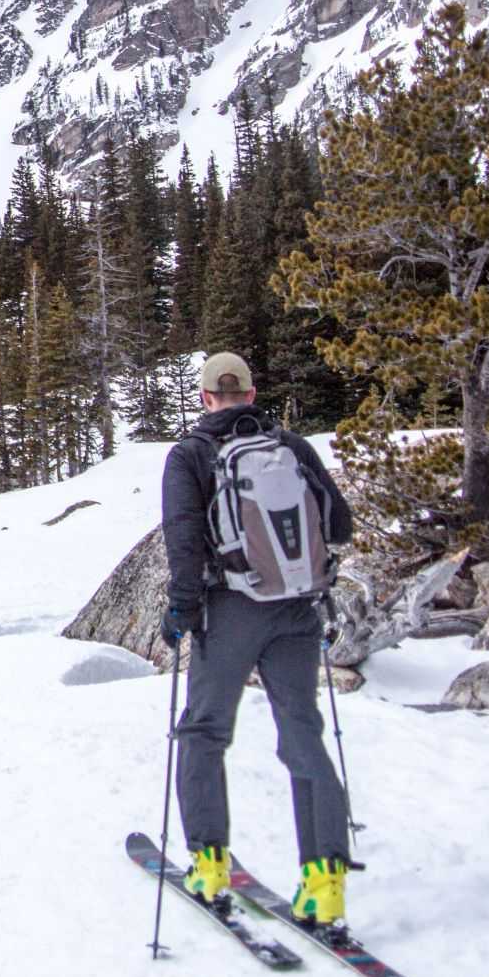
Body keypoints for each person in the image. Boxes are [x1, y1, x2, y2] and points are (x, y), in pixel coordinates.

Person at [160, 352, 355, 926]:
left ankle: (209, 864)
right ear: (250, 393)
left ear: (204, 398)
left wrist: (182, 610)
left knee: (204, 729)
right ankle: (324, 881)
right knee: (303, 732)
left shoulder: (190, 455)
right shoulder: (291, 448)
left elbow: (184, 540)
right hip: (298, 608)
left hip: (231, 611)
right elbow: (337, 524)